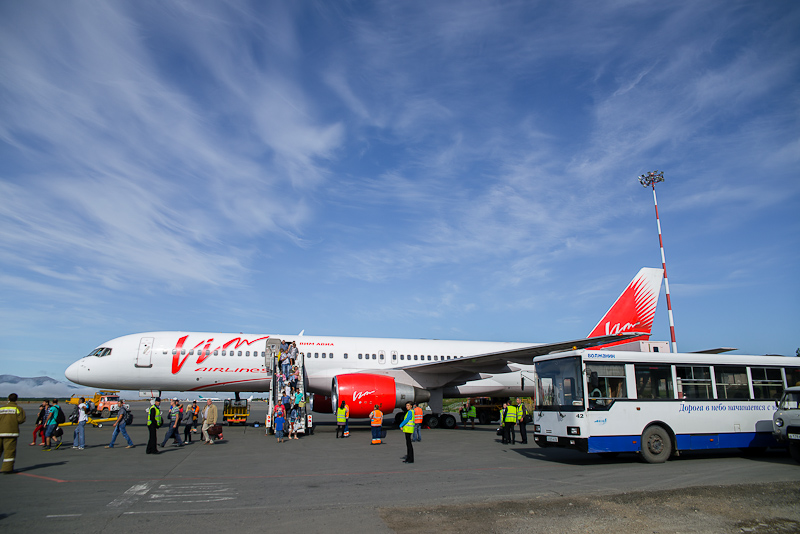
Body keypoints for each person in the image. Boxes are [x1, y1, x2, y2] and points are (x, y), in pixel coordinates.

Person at [0, 393, 26, 474]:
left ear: (8, 398)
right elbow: (21, 420)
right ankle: (7, 468)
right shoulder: (18, 408)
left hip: (0, 431)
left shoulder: (1, 408)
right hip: (11, 432)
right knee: (9, 451)